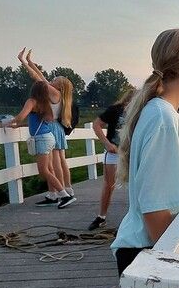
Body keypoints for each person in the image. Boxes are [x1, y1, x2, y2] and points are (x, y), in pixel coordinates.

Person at [111, 28, 179, 276]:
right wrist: (173, 269)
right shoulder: (162, 118)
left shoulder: (167, 115)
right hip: (148, 254)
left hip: (149, 249)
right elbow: (154, 209)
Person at [18, 49, 76, 201]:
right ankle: (66, 188)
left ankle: (59, 191)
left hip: (50, 127)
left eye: (56, 79)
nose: (53, 79)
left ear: (60, 85)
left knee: (55, 163)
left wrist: (24, 63)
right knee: (60, 161)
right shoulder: (60, 95)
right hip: (57, 127)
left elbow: (37, 78)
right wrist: (29, 62)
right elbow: (41, 77)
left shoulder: (54, 93)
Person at [9, 81, 74, 208]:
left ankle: (64, 195)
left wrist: (9, 122)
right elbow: (41, 121)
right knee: (48, 168)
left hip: (42, 139)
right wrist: (19, 125)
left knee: (44, 170)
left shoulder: (32, 101)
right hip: (49, 137)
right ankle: (54, 195)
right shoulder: (45, 104)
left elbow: (21, 116)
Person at [88, 88, 135, 230]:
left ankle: (134, 218)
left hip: (132, 152)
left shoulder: (141, 111)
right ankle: (101, 216)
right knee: (109, 184)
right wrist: (106, 143)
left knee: (135, 185)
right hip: (114, 152)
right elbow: (97, 124)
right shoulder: (115, 110)